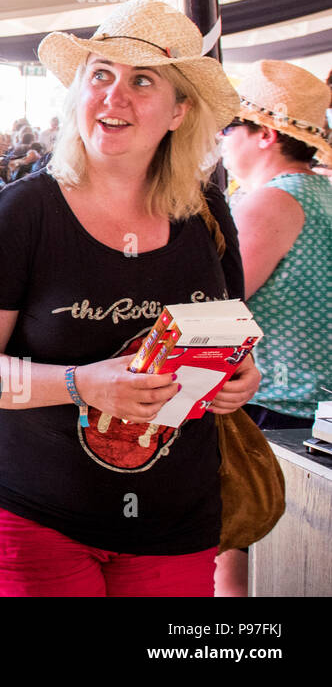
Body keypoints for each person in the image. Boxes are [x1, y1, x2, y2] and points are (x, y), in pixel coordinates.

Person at [0, 0, 261, 597]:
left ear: (179, 111)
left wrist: (239, 377)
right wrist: (79, 383)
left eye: (141, 81)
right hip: (33, 516)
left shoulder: (207, 213)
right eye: (101, 75)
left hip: (177, 521)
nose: (113, 97)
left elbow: (224, 336)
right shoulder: (25, 212)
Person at [214, 59, 332, 596]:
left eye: (228, 126)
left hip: (274, 405)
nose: (220, 138)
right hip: (316, 411)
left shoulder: (271, 200)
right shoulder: (322, 194)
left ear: (264, 133)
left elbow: (217, 308)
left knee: (239, 546)